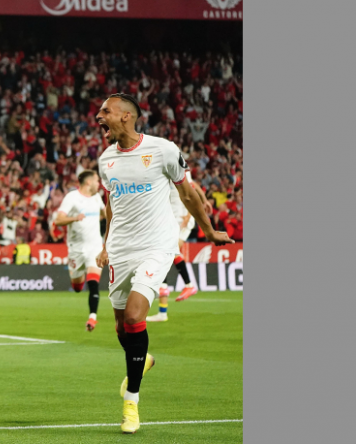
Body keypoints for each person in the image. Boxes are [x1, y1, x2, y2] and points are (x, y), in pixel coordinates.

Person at [95, 93, 233, 434]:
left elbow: (188, 193)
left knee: (134, 315)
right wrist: (106, 245)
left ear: (126, 116)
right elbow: (111, 206)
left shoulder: (163, 150)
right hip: (120, 249)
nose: (99, 116)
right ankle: (142, 360)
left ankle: (131, 402)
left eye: (105, 111)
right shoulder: (105, 159)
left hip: (156, 246)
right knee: (122, 329)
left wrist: (208, 230)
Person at [148, 170, 210, 322]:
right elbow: (194, 185)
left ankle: (188, 285)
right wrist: (205, 200)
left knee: (169, 251)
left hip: (181, 219)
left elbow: (191, 192)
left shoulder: (178, 168)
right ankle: (162, 309)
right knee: (165, 254)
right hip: (172, 219)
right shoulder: (167, 171)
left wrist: (189, 216)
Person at [53, 170, 106, 331]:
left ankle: (92, 318)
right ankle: (78, 280)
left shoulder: (97, 198)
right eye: (97, 181)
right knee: (77, 287)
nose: (99, 184)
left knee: (93, 282)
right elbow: (58, 220)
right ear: (88, 182)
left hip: (95, 247)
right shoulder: (72, 198)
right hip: (76, 249)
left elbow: (105, 213)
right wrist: (75, 218)